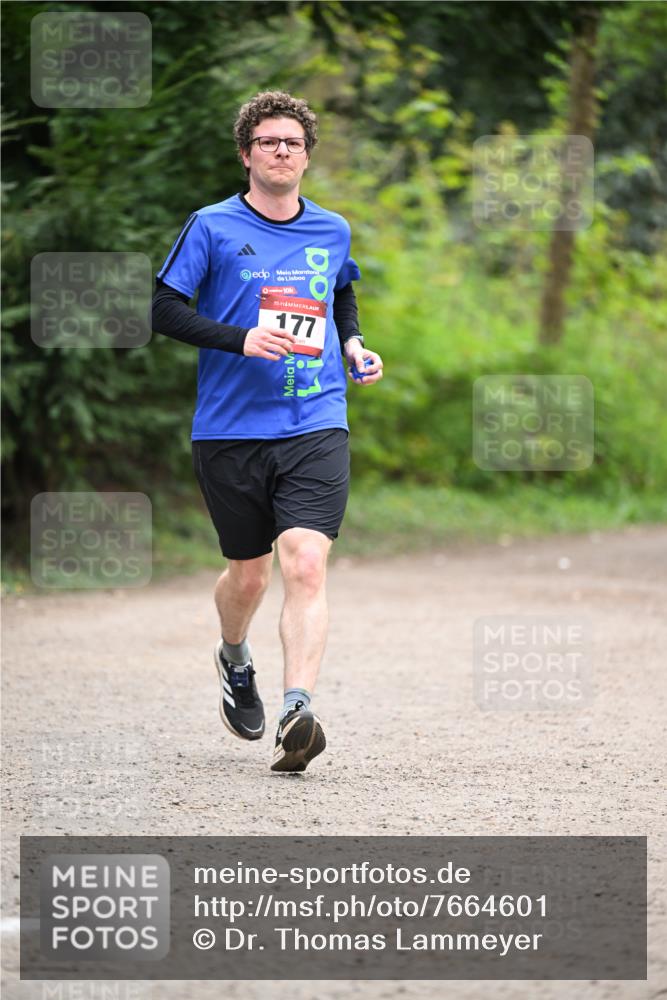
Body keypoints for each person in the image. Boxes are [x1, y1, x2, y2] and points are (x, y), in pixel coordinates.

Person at [151, 91, 383, 773]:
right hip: (229, 429)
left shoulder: (332, 229)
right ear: (246, 154)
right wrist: (240, 338)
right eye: (268, 141)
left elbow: (340, 291)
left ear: (307, 156)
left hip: (315, 418)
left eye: (293, 142)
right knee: (248, 576)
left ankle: (296, 710)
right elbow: (161, 308)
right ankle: (233, 656)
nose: (282, 151)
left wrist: (352, 343)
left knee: (304, 562)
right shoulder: (211, 226)